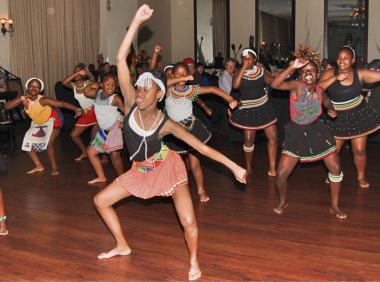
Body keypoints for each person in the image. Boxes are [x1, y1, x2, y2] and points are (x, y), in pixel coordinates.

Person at [93, 5, 246, 281]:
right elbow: (119, 58)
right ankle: (122, 244)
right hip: (140, 171)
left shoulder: (167, 124)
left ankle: (194, 260)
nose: (139, 91)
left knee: (188, 220)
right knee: (101, 200)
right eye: (138, 86)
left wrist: (233, 167)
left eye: (146, 88)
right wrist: (136, 21)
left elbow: (202, 148)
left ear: (159, 95)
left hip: (167, 167)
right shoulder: (129, 104)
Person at [271, 49, 347, 219]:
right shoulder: (297, 85)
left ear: (317, 73)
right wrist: (291, 67)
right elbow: (275, 85)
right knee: (281, 174)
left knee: (335, 167)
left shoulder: (319, 89)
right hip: (296, 132)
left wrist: (330, 108)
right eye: (305, 71)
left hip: (317, 130)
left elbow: (326, 99)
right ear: (300, 74)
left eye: (311, 70)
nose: (308, 74)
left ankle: (334, 206)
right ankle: (283, 200)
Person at [165, 62, 238, 202]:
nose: (181, 76)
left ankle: (201, 190)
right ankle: (177, 190)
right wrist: (179, 78)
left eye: (184, 73)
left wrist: (230, 99)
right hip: (174, 132)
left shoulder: (190, 90)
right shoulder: (167, 90)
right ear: (172, 76)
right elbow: (162, 83)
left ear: (189, 76)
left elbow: (212, 89)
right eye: (177, 74)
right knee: (175, 164)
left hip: (191, 128)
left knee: (195, 162)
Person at [318, 46, 380, 189]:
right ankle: (332, 173)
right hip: (337, 116)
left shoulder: (360, 73)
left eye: (346, 58)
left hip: (358, 115)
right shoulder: (330, 72)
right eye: (339, 58)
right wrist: (335, 80)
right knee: (333, 151)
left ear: (352, 60)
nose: (341, 61)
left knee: (359, 150)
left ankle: (361, 177)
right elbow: (319, 90)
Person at [5, 78, 82, 175]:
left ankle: (54, 168)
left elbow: (61, 104)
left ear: (40, 90)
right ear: (27, 88)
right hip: (39, 122)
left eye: (37, 87)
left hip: (53, 120)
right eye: (31, 86)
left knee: (48, 144)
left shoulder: (43, 100)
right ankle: (39, 166)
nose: (34, 88)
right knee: (26, 144)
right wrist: (21, 98)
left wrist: (76, 109)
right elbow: (7, 106)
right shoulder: (24, 99)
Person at [230, 48, 278, 178]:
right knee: (249, 140)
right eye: (244, 58)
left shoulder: (260, 71)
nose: (246, 60)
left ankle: (273, 168)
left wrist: (281, 76)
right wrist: (243, 67)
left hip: (264, 106)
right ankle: (249, 166)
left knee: (272, 137)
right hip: (248, 108)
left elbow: (272, 83)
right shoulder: (238, 73)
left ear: (255, 59)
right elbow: (235, 86)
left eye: (249, 58)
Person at [84, 73, 125, 184]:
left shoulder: (115, 98)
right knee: (90, 152)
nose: (111, 87)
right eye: (107, 84)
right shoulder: (97, 93)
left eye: (113, 84)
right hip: (103, 131)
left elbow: (127, 111)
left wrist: (124, 123)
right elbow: (86, 91)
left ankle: (123, 180)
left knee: (114, 156)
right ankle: (102, 177)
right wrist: (94, 83)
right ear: (101, 85)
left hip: (115, 129)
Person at [62, 64, 98, 161]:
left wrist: (88, 73)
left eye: (80, 71)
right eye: (75, 71)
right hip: (86, 113)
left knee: (95, 136)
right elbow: (64, 83)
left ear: (84, 73)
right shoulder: (73, 86)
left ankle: (102, 156)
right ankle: (85, 152)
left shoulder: (89, 83)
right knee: (74, 135)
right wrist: (77, 73)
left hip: (95, 111)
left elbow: (95, 81)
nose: (77, 73)